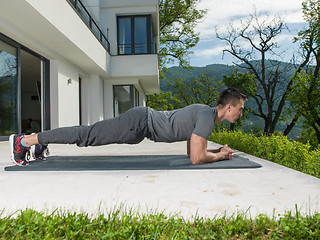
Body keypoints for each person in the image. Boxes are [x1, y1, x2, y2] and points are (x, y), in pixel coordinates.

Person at [9, 87, 247, 166]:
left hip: (140, 124)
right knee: (87, 135)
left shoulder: (204, 115)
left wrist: (216, 152)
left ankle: (36, 141)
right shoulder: (206, 118)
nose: (241, 113)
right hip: (139, 123)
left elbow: (192, 150)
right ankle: (26, 141)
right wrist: (220, 156)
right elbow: (196, 158)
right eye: (240, 108)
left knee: (87, 134)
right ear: (229, 107)